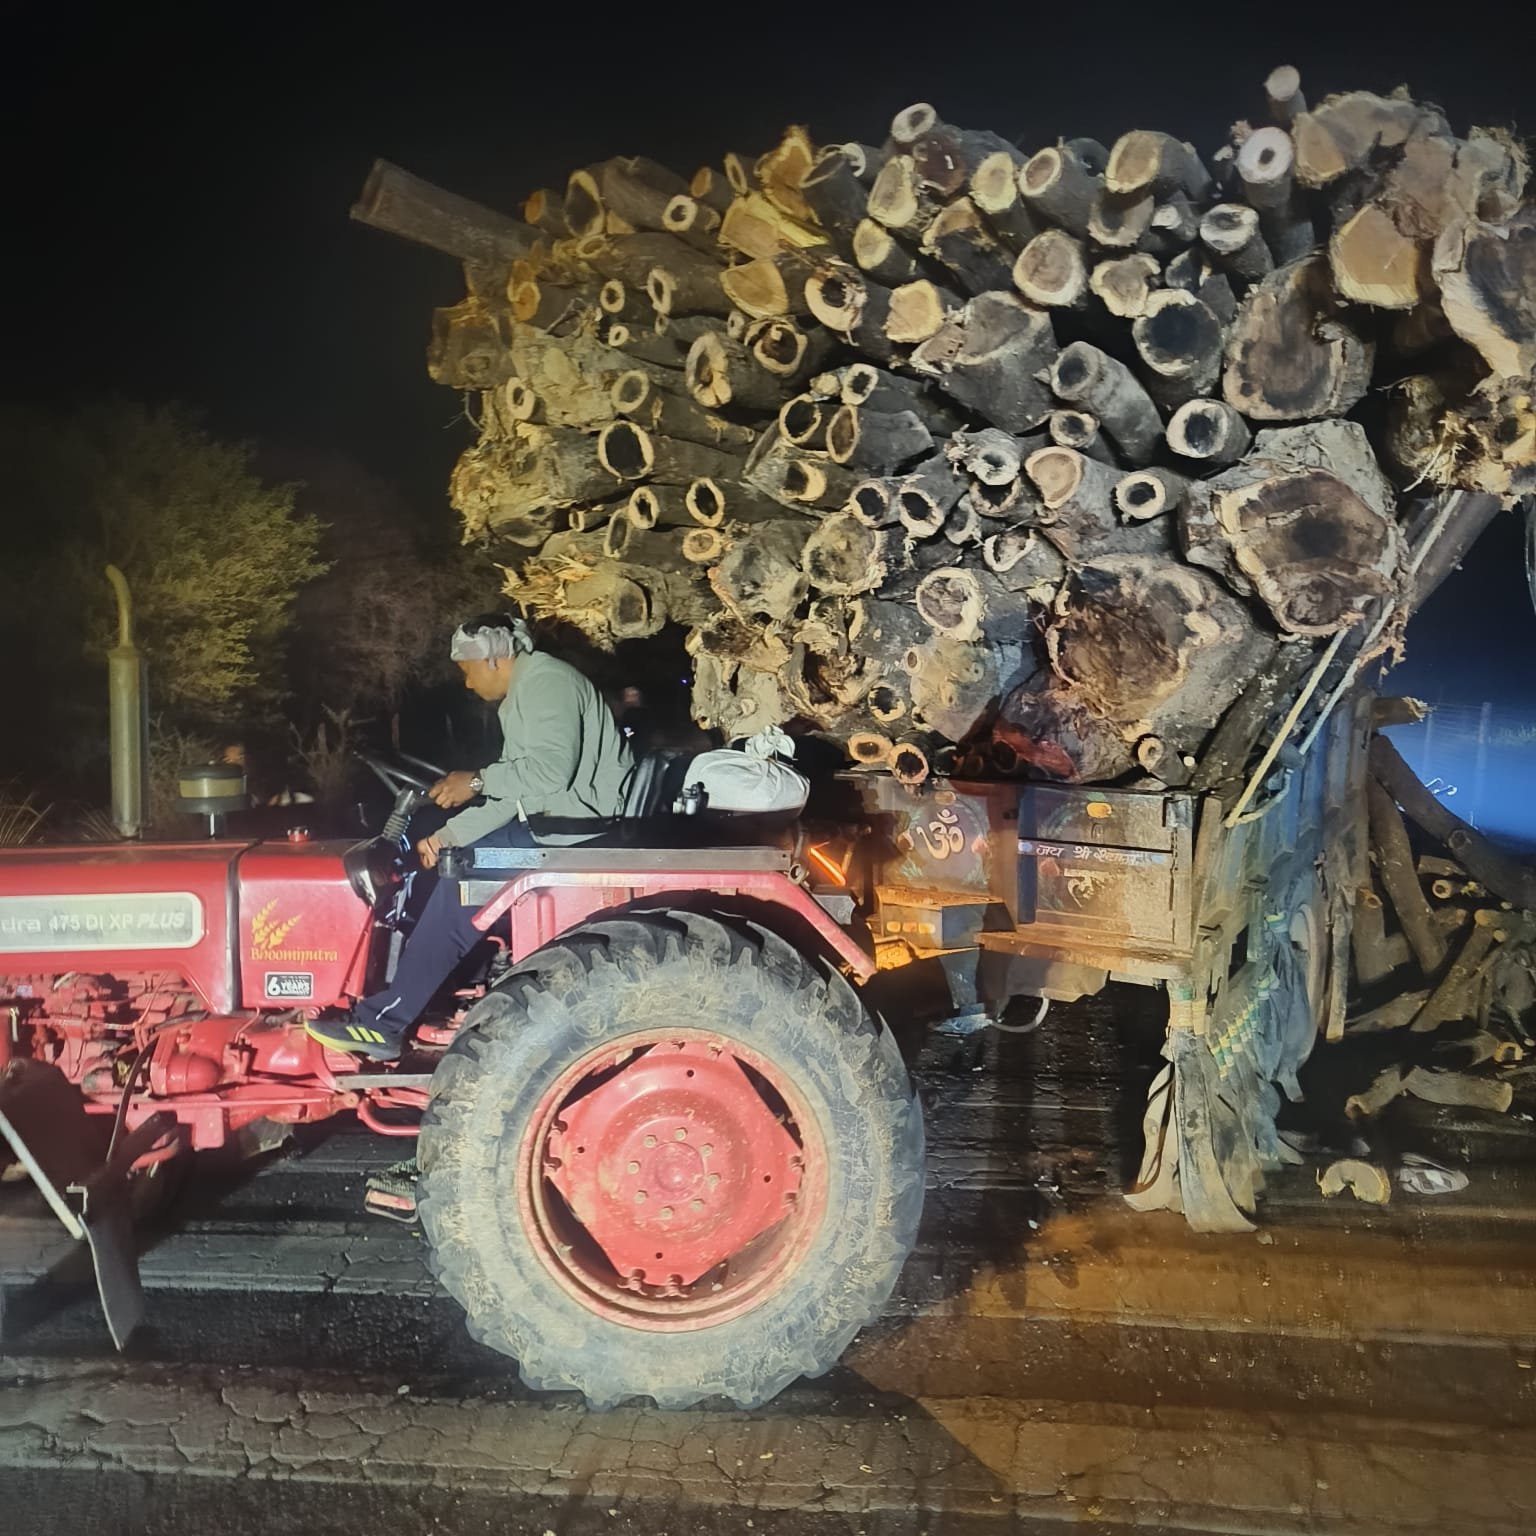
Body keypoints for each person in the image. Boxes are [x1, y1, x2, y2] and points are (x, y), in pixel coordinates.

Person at [307, 613, 633, 1060]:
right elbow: (516, 790)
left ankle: (384, 1023)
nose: (466, 682)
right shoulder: (527, 690)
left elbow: (550, 772)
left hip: (574, 831)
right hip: (557, 822)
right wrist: (447, 835)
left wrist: (477, 781)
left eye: (467, 669)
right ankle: (436, 993)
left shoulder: (547, 683)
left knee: (459, 881)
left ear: (494, 658)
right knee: (451, 861)